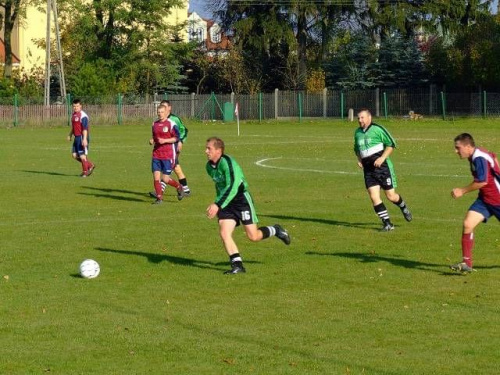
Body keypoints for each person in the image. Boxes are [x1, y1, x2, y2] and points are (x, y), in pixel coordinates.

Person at [205, 137, 291, 274]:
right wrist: (219, 204)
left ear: (219, 150)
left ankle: (276, 229)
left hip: (241, 200)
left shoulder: (228, 163)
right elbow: (220, 187)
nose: (206, 151)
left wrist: (217, 204)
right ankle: (237, 265)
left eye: (209, 148)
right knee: (224, 232)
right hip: (226, 203)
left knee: (253, 236)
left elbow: (233, 186)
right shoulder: (209, 167)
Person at [353, 108, 412, 231]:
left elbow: (391, 144)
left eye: (362, 117)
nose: (360, 120)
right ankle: (388, 224)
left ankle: (403, 206)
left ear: (369, 117)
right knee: (374, 197)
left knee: (391, 196)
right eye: (358, 118)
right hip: (368, 171)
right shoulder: (357, 133)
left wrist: (382, 158)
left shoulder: (378, 129)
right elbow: (357, 149)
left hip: (383, 169)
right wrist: (359, 159)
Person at [450, 133, 500, 273]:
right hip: (485, 200)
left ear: (468, 146)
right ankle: (467, 263)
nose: (456, 151)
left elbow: (482, 181)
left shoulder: (478, 157)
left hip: (497, 199)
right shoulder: (477, 154)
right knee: (468, 224)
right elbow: (493, 156)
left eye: (458, 148)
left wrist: (462, 191)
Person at [149, 100, 190, 199]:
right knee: (174, 169)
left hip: (172, 149)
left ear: (169, 108)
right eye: (161, 108)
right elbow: (156, 136)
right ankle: (161, 193)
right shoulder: (156, 123)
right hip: (159, 152)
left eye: (165, 107)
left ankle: (184, 190)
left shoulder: (174, 120)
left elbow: (183, 131)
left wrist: (180, 141)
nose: (163, 110)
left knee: (174, 169)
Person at [67, 99, 95, 177]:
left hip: (82, 137)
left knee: (82, 155)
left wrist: (84, 139)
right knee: (74, 155)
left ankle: (85, 172)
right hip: (76, 137)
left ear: (81, 106)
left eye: (77, 106)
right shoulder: (74, 115)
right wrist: (70, 135)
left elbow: (85, 128)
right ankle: (90, 165)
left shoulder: (83, 116)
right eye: (74, 106)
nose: (75, 107)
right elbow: (74, 127)